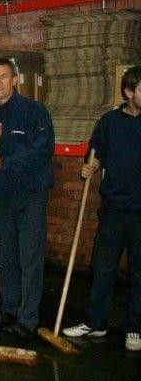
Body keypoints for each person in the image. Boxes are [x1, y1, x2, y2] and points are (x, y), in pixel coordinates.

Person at [0, 58, 54, 339]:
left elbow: (42, 150)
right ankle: (10, 309)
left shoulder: (34, 111)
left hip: (30, 193)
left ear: (14, 80)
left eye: (3, 77)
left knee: (29, 255)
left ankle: (28, 318)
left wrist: (4, 162)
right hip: (2, 194)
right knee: (7, 254)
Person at [62, 65, 141, 352]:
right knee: (103, 268)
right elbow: (96, 155)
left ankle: (135, 327)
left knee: (139, 272)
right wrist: (89, 167)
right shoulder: (109, 122)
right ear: (129, 92)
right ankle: (96, 323)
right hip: (113, 209)